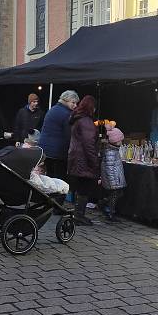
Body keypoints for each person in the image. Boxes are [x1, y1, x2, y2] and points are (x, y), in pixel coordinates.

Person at [68, 95, 100, 226]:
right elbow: (89, 145)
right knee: (84, 188)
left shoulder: (76, 119)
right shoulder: (86, 121)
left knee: (80, 187)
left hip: (75, 158)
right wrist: (95, 162)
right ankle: (79, 216)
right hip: (83, 160)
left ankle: (78, 214)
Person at [39, 90, 79, 180]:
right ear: (66, 100)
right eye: (73, 102)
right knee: (58, 179)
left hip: (45, 150)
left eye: (76, 103)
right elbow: (69, 135)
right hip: (57, 152)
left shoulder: (53, 109)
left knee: (49, 177)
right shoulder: (66, 114)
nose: (75, 106)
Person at [101, 123, 126, 221]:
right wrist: (113, 182)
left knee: (118, 194)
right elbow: (110, 168)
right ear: (115, 141)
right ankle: (109, 210)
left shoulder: (113, 150)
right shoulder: (110, 152)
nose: (122, 141)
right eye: (120, 140)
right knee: (115, 195)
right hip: (113, 180)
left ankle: (105, 204)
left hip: (115, 178)